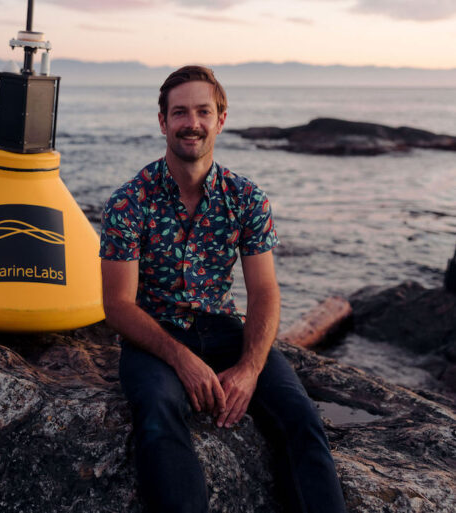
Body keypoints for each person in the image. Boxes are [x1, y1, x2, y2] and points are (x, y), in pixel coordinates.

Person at [99, 65, 347, 513]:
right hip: (155, 339)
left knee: (302, 419)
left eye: (202, 111)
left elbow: (265, 292)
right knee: (157, 415)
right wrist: (182, 360)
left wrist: (251, 368)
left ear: (221, 118)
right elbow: (116, 306)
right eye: (179, 112)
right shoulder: (128, 202)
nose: (191, 122)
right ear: (162, 122)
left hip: (228, 334)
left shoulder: (247, 198)